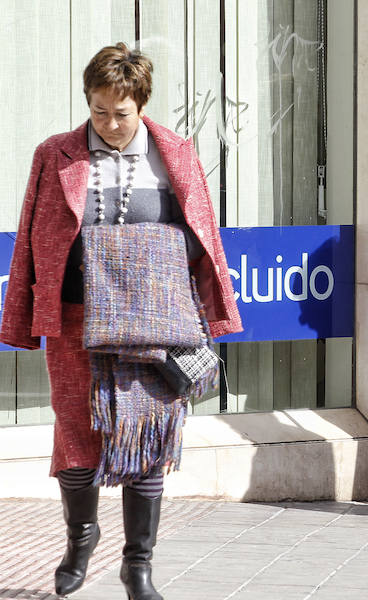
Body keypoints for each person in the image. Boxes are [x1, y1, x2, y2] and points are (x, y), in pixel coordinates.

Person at [0, 43, 242, 599]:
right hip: (74, 321)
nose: (110, 124)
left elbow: (204, 239)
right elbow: (32, 242)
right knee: (77, 436)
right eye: (99, 111)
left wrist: (210, 312)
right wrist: (22, 316)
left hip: (155, 324)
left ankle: (139, 566)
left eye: (122, 112)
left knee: (148, 435)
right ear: (88, 102)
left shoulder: (176, 154)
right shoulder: (54, 154)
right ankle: (80, 538)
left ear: (142, 103)